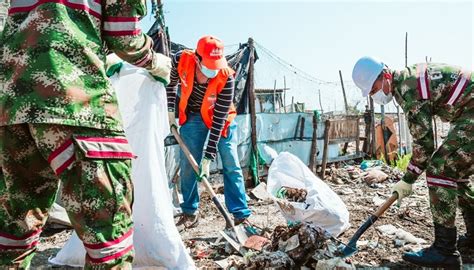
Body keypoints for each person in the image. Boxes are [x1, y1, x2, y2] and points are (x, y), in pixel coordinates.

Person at [0, 1, 171, 268]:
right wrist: (153, 59)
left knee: (15, 228)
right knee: (109, 235)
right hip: (76, 102)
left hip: (11, 107)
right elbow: (125, 36)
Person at [352, 57, 473, 269]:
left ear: (385, 75)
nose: (374, 95)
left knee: (440, 170)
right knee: (454, 173)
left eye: (374, 89)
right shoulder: (409, 80)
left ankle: (445, 251)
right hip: (467, 113)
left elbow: (424, 146)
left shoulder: (410, 89)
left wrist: (407, 179)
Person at [166, 35, 251, 229]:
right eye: (209, 65)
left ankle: (240, 215)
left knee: (231, 163)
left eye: (216, 65)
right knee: (188, 164)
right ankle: (189, 212)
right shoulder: (180, 59)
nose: (214, 70)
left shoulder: (226, 76)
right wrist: (171, 111)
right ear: (197, 59)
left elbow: (219, 121)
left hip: (221, 119)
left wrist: (208, 157)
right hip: (193, 116)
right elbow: (171, 85)